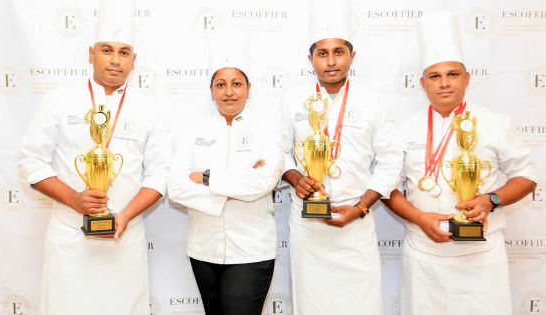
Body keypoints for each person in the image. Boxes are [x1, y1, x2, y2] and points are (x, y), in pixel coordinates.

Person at [17, 0, 170, 314]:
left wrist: (125, 216)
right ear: (91, 53)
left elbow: (159, 174)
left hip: (123, 240)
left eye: (123, 52)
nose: (115, 61)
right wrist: (74, 199)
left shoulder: (149, 109)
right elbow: (31, 161)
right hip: (69, 240)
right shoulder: (58, 100)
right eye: (107, 50)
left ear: (134, 60)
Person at [383, 11, 537, 315]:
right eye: (435, 76)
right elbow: (386, 187)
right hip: (423, 252)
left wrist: (491, 200)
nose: (444, 84)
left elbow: (526, 175)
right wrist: (418, 218)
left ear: (467, 79)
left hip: (481, 253)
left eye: (452, 74)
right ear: (422, 83)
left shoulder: (495, 123)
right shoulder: (403, 130)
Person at [281, 1, 402, 313]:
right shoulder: (292, 100)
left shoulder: (374, 101)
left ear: (352, 56)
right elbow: (278, 153)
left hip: (355, 220)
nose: (331, 61)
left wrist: (361, 208)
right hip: (307, 222)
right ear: (311, 58)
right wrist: (296, 179)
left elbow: (390, 163)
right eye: (322, 53)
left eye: (339, 52)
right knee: (311, 303)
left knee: (360, 303)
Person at [167, 32, 284, 315]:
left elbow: (264, 181)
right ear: (212, 90)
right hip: (203, 249)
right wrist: (230, 193)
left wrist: (206, 179)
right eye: (221, 85)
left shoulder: (267, 130)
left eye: (236, 84)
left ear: (248, 88)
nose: (229, 91)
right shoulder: (195, 131)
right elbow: (175, 187)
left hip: (251, 251)